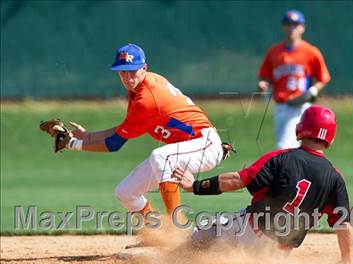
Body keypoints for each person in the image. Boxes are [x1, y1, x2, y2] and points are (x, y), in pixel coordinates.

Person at [63, 43, 231, 227]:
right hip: (186, 149)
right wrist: (87, 136)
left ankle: (179, 229)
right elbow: (123, 129)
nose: (127, 77)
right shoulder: (138, 88)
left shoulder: (147, 98)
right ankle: (161, 233)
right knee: (126, 192)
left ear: (144, 68)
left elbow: (114, 144)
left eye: (132, 70)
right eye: (122, 71)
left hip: (204, 144)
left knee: (161, 156)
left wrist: (72, 144)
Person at [173, 105, 353, 263]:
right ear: (331, 136)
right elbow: (343, 224)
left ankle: (169, 261)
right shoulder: (335, 177)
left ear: (301, 128)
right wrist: (347, 261)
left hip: (250, 232)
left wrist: (195, 186)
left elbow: (236, 180)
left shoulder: (282, 158)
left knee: (201, 236)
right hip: (280, 253)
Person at [258, 9, 331, 149]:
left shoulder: (311, 52)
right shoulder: (274, 52)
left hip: (300, 107)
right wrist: (264, 84)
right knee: (294, 150)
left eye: (295, 24)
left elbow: (324, 78)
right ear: (283, 27)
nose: (292, 27)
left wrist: (314, 90)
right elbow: (265, 77)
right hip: (280, 107)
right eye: (288, 24)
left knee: (283, 147)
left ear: (302, 27)